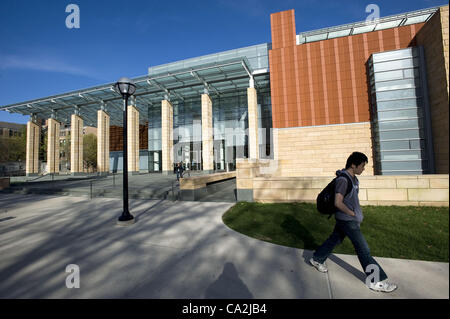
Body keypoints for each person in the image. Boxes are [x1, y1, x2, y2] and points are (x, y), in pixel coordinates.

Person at [309, 151, 397, 293]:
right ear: (353, 165)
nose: (363, 169)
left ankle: (317, 258)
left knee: (334, 239)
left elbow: (351, 200)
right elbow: (338, 202)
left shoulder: (353, 179)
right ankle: (376, 281)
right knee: (363, 250)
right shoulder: (343, 180)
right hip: (347, 220)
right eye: (362, 166)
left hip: (348, 220)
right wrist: (353, 214)